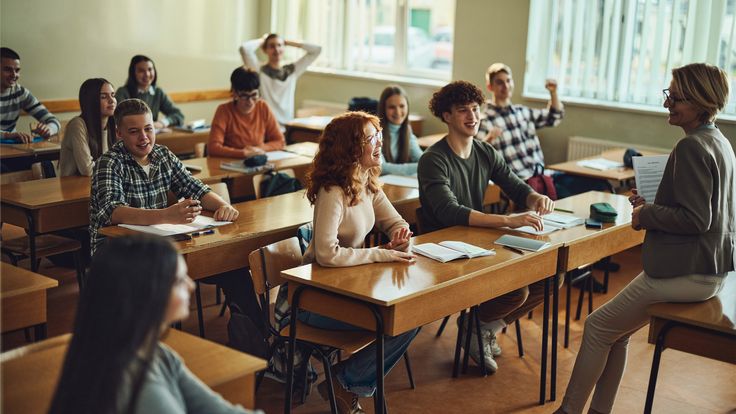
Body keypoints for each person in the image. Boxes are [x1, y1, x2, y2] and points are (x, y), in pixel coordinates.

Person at [555, 63, 735, 414]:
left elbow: (697, 219)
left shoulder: (692, 148)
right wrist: (654, 203)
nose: (668, 103)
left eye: (676, 97)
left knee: (595, 327)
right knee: (616, 333)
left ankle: (568, 411)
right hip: (710, 269)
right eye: (668, 95)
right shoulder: (719, 142)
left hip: (687, 271)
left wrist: (645, 215)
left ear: (699, 102)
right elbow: (701, 210)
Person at [417, 80, 555, 373]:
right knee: (515, 290)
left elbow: (518, 188)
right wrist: (508, 220)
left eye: (476, 108)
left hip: (478, 241)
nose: (473, 116)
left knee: (551, 275)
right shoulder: (433, 159)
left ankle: (480, 327)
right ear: (446, 116)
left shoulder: (484, 151)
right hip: (443, 248)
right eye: (463, 110)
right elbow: (449, 212)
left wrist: (535, 197)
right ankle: (478, 328)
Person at [48, 234, 261, 414]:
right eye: (179, 280)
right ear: (146, 293)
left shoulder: (156, 353)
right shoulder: (136, 385)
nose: (190, 286)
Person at [297, 111, 418, 413]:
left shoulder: (366, 183)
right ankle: (347, 381)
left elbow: (396, 222)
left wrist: (402, 236)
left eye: (378, 136)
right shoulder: (332, 191)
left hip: (346, 287)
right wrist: (383, 253)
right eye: (371, 139)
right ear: (350, 148)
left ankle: (345, 380)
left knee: (412, 314)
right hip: (313, 298)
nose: (379, 144)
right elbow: (326, 254)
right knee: (397, 320)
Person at [89, 98, 238, 254]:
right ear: (119, 133)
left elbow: (195, 188)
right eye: (134, 131)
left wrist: (223, 206)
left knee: (215, 254)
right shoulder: (109, 162)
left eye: (148, 129)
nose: (144, 137)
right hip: (115, 249)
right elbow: (114, 212)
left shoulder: (163, 155)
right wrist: (166, 215)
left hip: (154, 242)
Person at [475, 62, 563, 180]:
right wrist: (489, 139)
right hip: (520, 184)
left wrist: (553, 92)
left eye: (508, 80)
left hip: (542, 176)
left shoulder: (523, 112)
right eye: (500, 82)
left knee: (582, 182)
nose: (506, 86)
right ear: (490, 87)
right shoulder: (485, 121)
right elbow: (475, 156)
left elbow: (554, 117)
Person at [239, 33, 321, 126]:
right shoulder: (259, 70)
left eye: (279, 45)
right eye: (271, 46)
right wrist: (263, 40)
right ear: (265, 50)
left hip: (288, 127)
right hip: (266, 126)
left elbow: (317, 50)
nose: (276, 49)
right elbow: (244, 49)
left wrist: (287, 42)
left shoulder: (292, 71)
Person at [208, 67, 285, 158]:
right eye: (245, 96)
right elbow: (213, 148)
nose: (250, 101)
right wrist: (242, 153)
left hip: (256, 160)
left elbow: (280, 141)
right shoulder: (223, 111)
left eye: (254, 95)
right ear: (235, 93)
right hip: (230, 164)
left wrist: (259, 149)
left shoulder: (263, 107)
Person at [0, 47, 60, 143]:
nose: (14, 75)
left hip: (11, 149)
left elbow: (54, 121)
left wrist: (48, 129)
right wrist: (7, 135)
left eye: (17, 70)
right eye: (8, 70)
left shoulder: (21, 93)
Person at [59, 78, 117, 176]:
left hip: (97, 184)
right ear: (91, 100)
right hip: (74, 188)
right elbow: (87, 170)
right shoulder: (77, 125)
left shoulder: (110, 125)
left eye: (113, 95)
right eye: (103, 97)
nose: (111, 100)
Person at [115, 55, 184, 129]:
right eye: (141, 71)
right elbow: (118, 121)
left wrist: (162, 123)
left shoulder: (158, 92)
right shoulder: (122, 93)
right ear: (133, 73)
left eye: (150, 69)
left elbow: (178, 115)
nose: (147, 74)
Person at [376, 85, 423, 176]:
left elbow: (422, 159)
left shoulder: (407, 130)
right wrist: (421, 166)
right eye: (392, 107)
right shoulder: (374, 131)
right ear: (383, 109)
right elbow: (381, 167)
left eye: (402, 106)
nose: (398, 112)